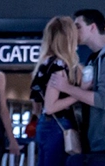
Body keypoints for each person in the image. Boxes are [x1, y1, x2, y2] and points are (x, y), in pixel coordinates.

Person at [49, 9, 105, 166]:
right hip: (98, 141)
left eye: (78, 26)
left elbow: (104, 100)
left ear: (93, 27)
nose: (74, 31)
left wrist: (67, 88)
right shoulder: (96, 58)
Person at [32, 17, 84, 166]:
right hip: (58, 127)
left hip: (46, 126)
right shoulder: (59, 66)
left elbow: (37, 104)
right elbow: (51, 106)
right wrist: (79, 93)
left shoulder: (45, 64)